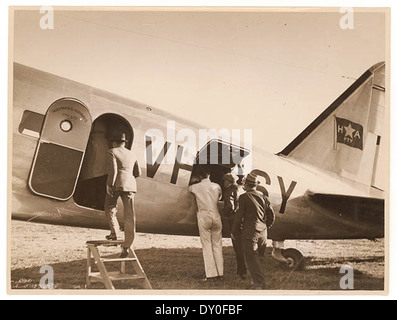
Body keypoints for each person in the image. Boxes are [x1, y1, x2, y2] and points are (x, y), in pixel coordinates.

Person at [105, 132, 141, 258]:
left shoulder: (112, 151)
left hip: (117, 184)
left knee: (109, 207)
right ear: (124, 143)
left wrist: (110, 185)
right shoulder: (132, 154)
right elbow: (138, 172)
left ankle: (114, 233)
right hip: (130, 185)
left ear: (114, 142)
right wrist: (129, 178)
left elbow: (113, 170)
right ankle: (128, 245)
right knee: (129, 215)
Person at [231, 173, 270, 290]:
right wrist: (266, 226)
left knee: (251, 258)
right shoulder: (264, 197)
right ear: (256, 185)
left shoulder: (244, 197)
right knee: (258, 257)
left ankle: (259, 283)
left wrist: (233, 231)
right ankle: (258, 280)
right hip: (263, 232)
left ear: (246, 185)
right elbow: (271, 215)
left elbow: (239, 216)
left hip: (250, 232)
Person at [188, 170, 224, 281]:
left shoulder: (196, 187)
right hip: (216, 216)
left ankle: (211, 274)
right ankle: (220, 273)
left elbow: (188, 189)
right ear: (209, 175)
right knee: (217, 245)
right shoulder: (217, 186)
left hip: (204, 216)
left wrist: (194, 181)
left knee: (207, 246)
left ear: (199, 176)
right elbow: (220, 196)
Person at [221, 173, 247, 279]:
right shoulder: (239, 189)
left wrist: (222, 213)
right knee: (240, 247)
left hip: (233, 221)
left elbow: (230, 207)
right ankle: (241, 270)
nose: (223, 183)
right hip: (240, 220)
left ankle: (242, 271)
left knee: (238, 247)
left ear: (228, 181)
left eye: (224, 181)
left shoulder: (229, 190)